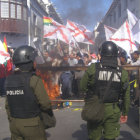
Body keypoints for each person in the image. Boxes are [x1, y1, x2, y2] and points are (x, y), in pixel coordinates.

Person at [80, 41, 130, 140]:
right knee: (110, 137)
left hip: (95, 108)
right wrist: (125, 112)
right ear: (116, 55)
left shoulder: (93, 68)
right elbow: (126, 96)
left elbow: (82, 87)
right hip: (113, 110)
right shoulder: (122, 73)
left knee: (94, 137)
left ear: (101, 54)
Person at [5, 45, 53, 140]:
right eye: (33, 60)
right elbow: (45, 104)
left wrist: (13, 120)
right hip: (32, 124)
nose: (35, 63)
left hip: (14, 124)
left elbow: (7, 105)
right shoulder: (34, 79)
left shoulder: (9, 80)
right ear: (28, 61)